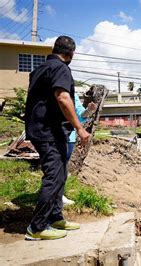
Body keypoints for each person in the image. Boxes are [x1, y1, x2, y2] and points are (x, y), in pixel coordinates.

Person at [24, 36, 90, 240]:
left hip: (45, 130)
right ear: (71, 53)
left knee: (61, 175)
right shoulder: (61, 68)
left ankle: (54, 217)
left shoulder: (40, 69)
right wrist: (80, 128)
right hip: (48, 132)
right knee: (53, 177)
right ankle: (37, 228)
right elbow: (62, 97)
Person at [63, 93, 96, 206]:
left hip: (69, 137)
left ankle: (59, 195)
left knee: (63, 168)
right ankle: (50, 199)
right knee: (53, 169)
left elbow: (81, 115)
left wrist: (90, 110)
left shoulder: (72, 94)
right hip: (51, 136)